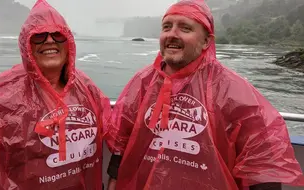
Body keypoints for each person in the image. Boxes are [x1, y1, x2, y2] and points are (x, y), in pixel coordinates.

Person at [105, 0, 304, 189]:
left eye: (185, 28)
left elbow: (261, 160)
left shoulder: (232, 91)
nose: (172, 34)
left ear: (206, 41)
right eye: (167, 27)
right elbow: (123, 136)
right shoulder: (143, 82)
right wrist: (114, 176)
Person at [0, 0, 111, 189]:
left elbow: (111, 134)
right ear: (26, 45)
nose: (50, 40)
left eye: (57, 34)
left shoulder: (87, 89)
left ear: (68, 42)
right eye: (39, 36)